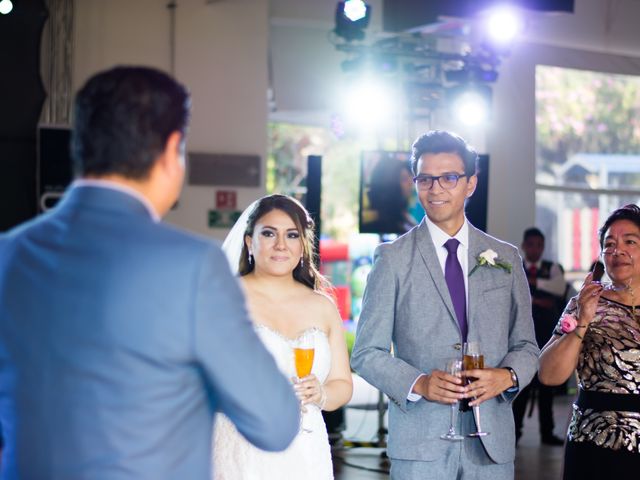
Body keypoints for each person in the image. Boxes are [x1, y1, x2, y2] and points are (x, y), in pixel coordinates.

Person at [0, 66, 299, 479]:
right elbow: (275, 422)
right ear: (172, 149)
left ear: (80, 145)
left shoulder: (8, 254)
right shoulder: (193, 267)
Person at [351, 130, 539, 480]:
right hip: (420, 446)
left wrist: (507, 376)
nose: (435, 189)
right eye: (425, 179)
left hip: (491, 446)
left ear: (470, 184)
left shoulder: (505, 258)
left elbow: (528, 346)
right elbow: (366, 352)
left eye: (449, 177)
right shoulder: (392, 259)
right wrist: (418, 383)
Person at [212, 194, 353, 479]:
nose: (280, 245)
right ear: (250, 242)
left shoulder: (322, 306)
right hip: (243, 447)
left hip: (306, 452)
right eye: (268, 233)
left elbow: (342, 384)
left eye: (291, 235)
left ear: (302, 245)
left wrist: (321, 394)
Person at [539, 204, 640, 479]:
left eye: (629, 241)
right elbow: (549, 375)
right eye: (609, 244)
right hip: (592, 442)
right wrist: (583, 320)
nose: (617, 251)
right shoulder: (585, 302)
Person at [512, 227, 566, 446]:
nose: (535, 249)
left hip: (546, 335)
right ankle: (514, 433)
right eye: (531, 244)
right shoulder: (516, 267)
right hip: (521, 334)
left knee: (546, 388)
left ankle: (547, 432)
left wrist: (534, 286)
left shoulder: (552, 268)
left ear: (543, 247)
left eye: (539, 245)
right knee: (521, 385)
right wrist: (537, 300)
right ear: (524, 246)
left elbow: (559, 287)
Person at [361, 156, 417, 235]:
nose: (411, 183)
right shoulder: (374, 221)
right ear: (390, 185)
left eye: (410, 177)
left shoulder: (403, 214)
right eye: (404, 179)